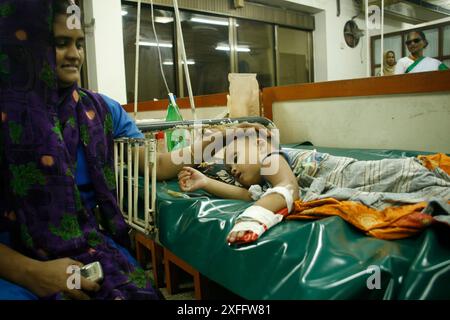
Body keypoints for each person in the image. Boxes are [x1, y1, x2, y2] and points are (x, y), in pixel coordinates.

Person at [0, 0, 159, 300]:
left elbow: (152, 165)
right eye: (61, 44)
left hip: (86, 245)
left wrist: (212, 147)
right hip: (13, 261)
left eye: (79, 44)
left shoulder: (99, 110)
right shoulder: (8, 119)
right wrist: (33, 274)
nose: (74, 55)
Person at [154, 125, 450, 245]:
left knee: (417, 178)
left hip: (354, 173)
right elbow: (247, 194)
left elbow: (285, 186)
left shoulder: (264, 151)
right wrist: (206, 181)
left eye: (234, 157)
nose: (232, 168)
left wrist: (255, 218)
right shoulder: (259, 179)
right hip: (341, 185)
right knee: (412, 199)